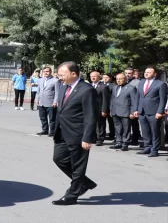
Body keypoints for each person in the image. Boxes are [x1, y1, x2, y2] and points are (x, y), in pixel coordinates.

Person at [51, 61, 98, 205]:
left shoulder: (86, 90)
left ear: (74, 73)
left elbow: (91, 115)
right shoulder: (64, 86)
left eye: (62, 75)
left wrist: (87, 137)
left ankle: (72, 195)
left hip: (78, 134)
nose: (60, 77)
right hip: (62, 132)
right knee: (58, 158)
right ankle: (84, 183)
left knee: (78, 166)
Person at [134, 66, 166, 157]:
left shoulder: (160, 84)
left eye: (149, 72)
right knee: (145, 131)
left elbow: (163, 100)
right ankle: (147, 147)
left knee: (155, 132)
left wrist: (160, 111)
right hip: (142, 111)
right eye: (145, 72)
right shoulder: (141, 82)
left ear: (154, 74)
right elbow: (138, 97)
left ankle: (154, 150)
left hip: (154, 112)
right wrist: (136, 109)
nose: (146, 73)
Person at [109, 73, 136, 151]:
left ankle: (125, 143)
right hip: (115, 111)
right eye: (117, 79)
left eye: (120, 79)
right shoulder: (114, 88)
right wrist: (111, 109)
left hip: (125, 112)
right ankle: (118, 142)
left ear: (125, 79)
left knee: (126, 129)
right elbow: (112, 100)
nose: (118, 80)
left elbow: (134, 101)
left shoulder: (131, 88)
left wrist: (132, 112)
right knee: (117, 128)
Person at [34, 66, 59, 136]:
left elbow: (57, 92)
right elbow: (38, 91)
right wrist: (37, 99)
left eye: (47, 71)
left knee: (52, 119)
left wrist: (55, 101)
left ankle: (52, 132)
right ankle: (45, 130)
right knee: (42, 117)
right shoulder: (40, 80)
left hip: (51, 103)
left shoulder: (55, 81)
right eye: (44, 71)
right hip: (41, 102)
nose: (45, 73)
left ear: (50, 72)